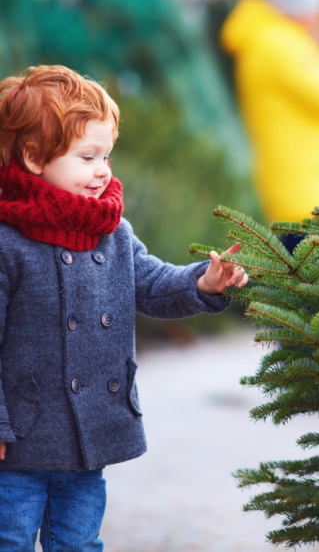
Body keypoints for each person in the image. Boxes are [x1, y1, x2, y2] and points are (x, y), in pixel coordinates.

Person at [0, 64, 248, 551]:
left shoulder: (112, 231)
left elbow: (152, 283)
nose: (102, 171)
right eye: (87, 156)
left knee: (79, 542)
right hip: (21, 441)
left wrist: (204, 280)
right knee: (9, 538)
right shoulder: (8, 243)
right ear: (32, 158)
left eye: (106, 156)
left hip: (87, 437)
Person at [221, 0, 319, 229]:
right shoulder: (277, 43)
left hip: (314, 189)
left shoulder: (277, 41)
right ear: (303, 12)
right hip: (307, 194)